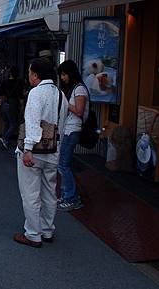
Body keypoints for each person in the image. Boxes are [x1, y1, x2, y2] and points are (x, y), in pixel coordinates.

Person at [14, 57, 68, 248]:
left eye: (29, 72)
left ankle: (33, 234)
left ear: (35, 75)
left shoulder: (36, 93)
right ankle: (47, 230)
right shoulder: (61, 95)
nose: (28, 76)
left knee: (30, 193)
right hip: (53, 151)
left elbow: (32, 123)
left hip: (34, 152)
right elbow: (61, 126)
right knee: (49, 192)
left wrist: (28, 149)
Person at [57, 60, 88, 211]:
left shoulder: (80, 89)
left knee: (63, 164)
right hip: (68, 130)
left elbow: (79, 111)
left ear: (70, 73)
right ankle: (67, 194)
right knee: (63, 164)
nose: (62, 78)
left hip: (73, 130)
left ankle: (72, 197)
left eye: (64, 74)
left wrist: (65, 102)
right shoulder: (73, 89)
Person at [0, 67, 24, 150]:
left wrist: (0, 104)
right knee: (13, 124)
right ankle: (5, 138)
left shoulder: (4, 82)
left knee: (6, 123)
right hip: (13, 104)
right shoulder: (19, 82)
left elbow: (0, 95)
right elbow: (21, 95)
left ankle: (4, 140)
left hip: (4, 104)